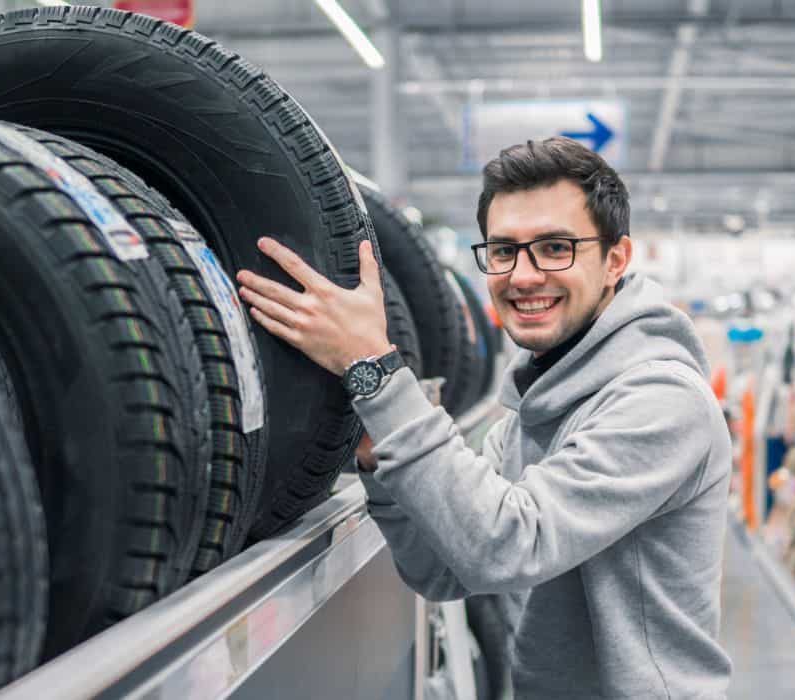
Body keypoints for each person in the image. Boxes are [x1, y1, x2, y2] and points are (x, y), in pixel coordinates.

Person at [235, 136, 732, 699]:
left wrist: (375, 369)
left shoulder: (660, 399)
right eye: (503, 251)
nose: (522, 276)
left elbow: (507, 547)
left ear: (615, 259)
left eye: (554, 248)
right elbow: (443, 570)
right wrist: (378, 458)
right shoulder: (533, 405)